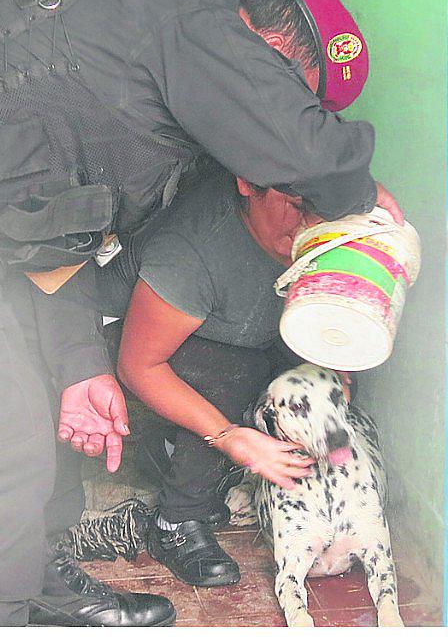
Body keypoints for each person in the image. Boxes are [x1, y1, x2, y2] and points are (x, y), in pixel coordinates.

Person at [0, 0, 402, 626]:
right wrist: (362, 201)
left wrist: (80, 366)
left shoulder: (154, 97)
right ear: (264, 53)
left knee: (35, 386)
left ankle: (28, 579)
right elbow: (313, 154)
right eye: (288, 98)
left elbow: (56, 232)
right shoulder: (191, 21)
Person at [93, 165, 356, 588]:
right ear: (248, 183)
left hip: (225, 332)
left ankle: (170, 451)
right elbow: (138, 366)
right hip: (118, 351)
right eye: (295, 206)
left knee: (308, 374)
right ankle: (177, 520)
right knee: (238, 371)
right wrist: (228, 436)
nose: (311, 223)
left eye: (322, 209)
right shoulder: (194, 250)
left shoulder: (315, 229)